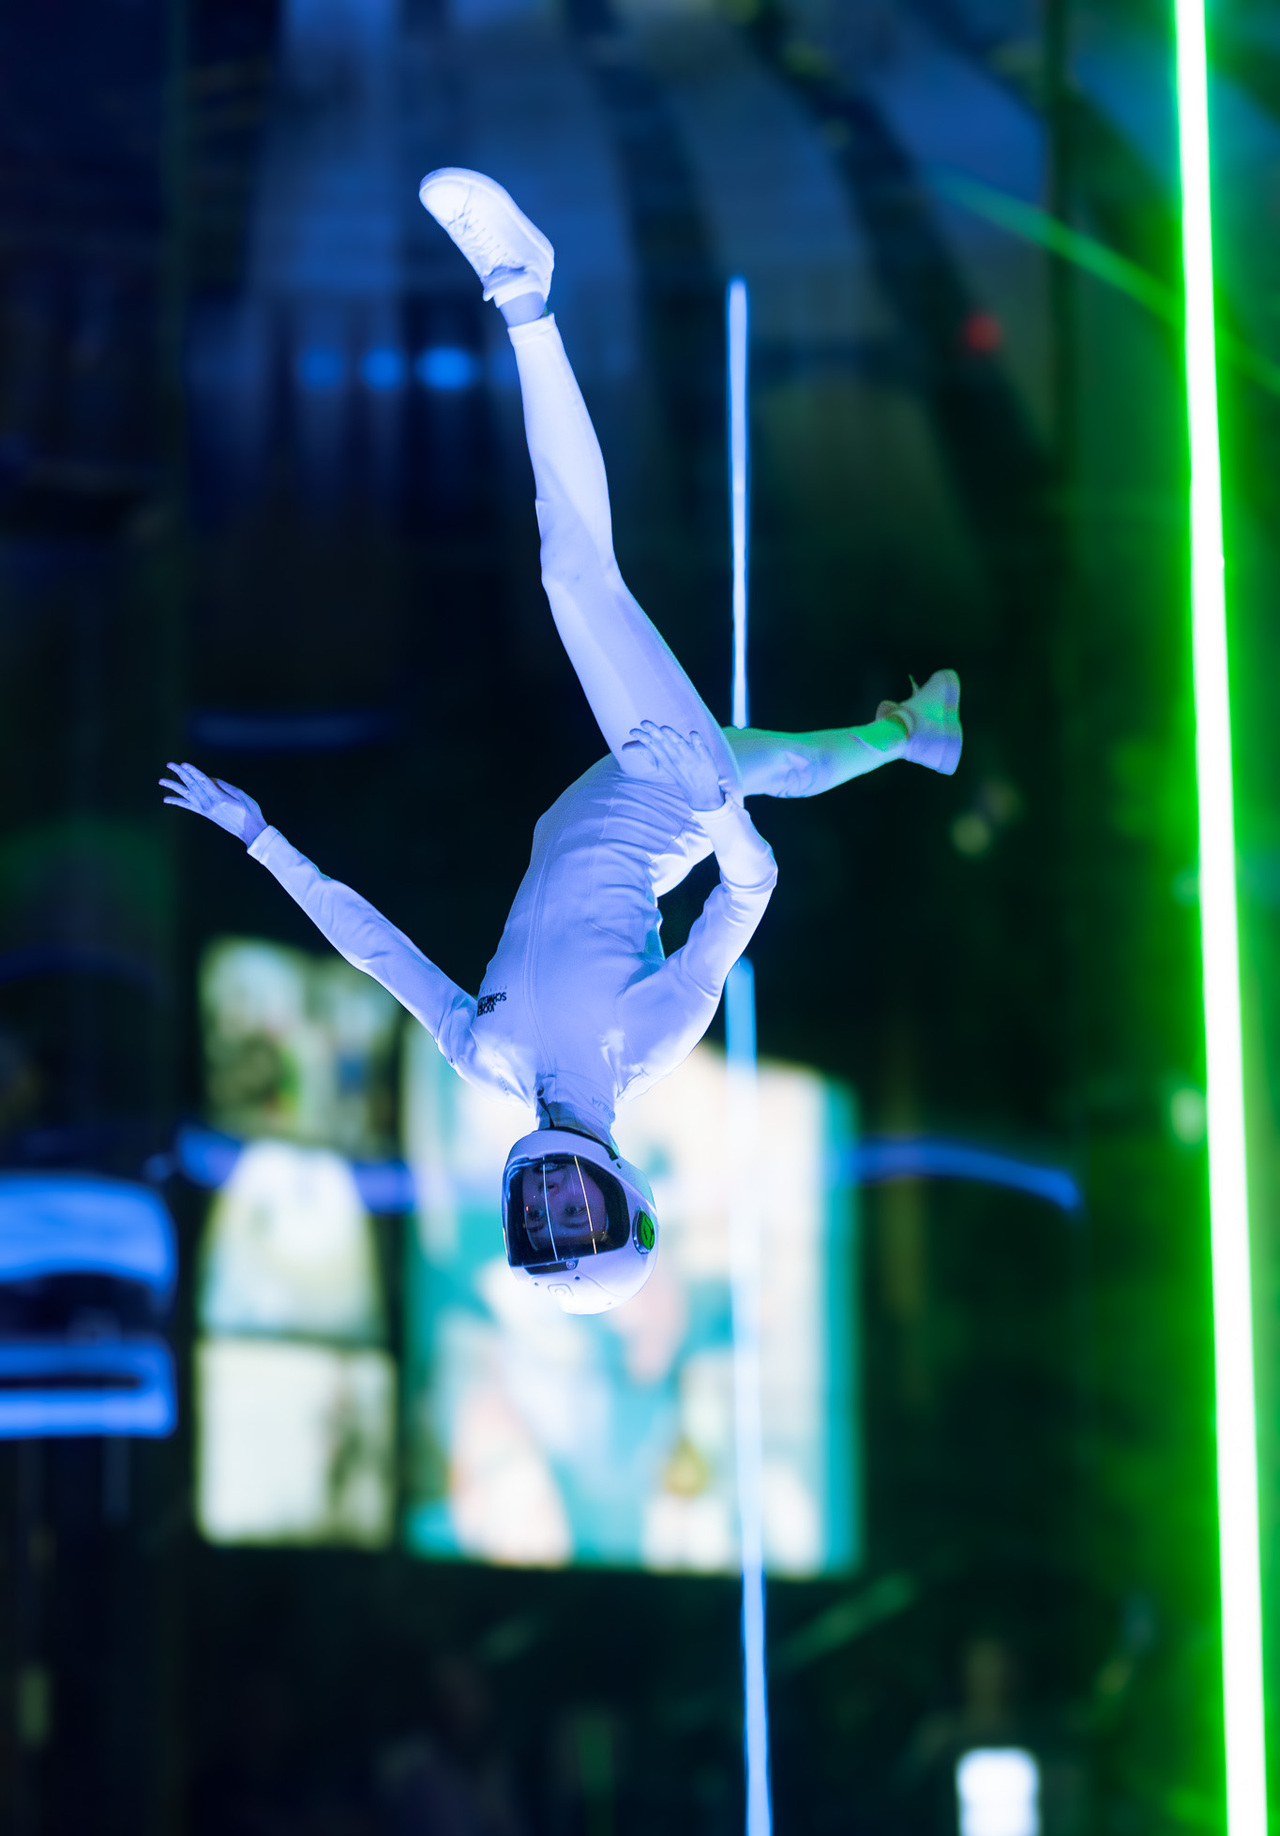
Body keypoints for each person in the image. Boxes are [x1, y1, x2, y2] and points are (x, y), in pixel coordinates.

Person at [162, 169, 962, 1316]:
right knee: (575, 576)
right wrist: (711, 808)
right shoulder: (649, 1044)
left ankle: (913, 733)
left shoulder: (481, 1059)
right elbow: (750, 888)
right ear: (627, 1199)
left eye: (536, 1232)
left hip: (636, 781)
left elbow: (372, 951)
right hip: (666, 791)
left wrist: (260, 840)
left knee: (780, 759)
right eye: (577, 1221)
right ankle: (522, 291)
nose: (546, 1204)